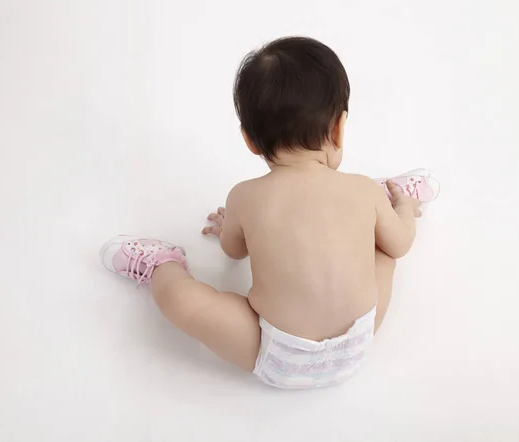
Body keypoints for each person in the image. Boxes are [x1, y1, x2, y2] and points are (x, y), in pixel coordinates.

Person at [100, 37, 439, 389]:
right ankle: (395, 198)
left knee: (180, 300)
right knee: (383, 248)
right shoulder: (361, 188)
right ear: (339, 128)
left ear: (249, 140)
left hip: (276, 353)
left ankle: (163, 265)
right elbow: (399, 246)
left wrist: (234, 224)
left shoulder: (245, 197)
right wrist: (403, 210)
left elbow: (233, 250)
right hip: (360, 340)